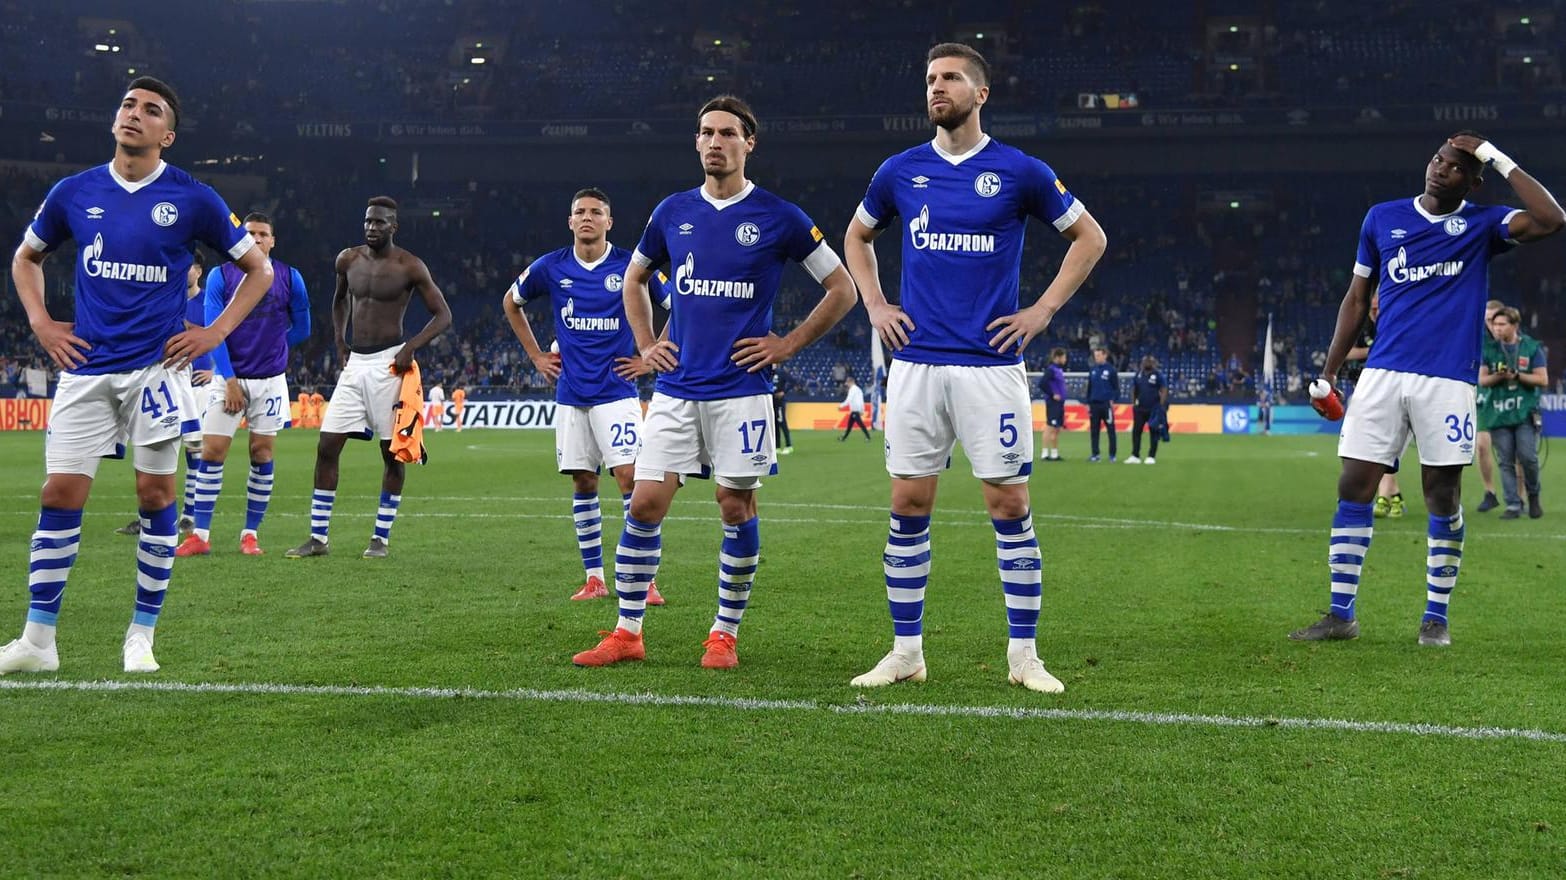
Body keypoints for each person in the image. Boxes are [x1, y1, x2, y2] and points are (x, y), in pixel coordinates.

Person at [843, 43, 1106, 693]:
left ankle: (1024, 658)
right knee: (908, 502)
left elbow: (1089, 237)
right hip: (917, 363)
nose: (937, 87)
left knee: (1009, 503)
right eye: (930, 78)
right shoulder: (900, 171)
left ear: (980, 94)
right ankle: (906, 651)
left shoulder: (1019, 171)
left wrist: (1042, 310)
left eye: (951, 78)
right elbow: (856, 236)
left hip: (992, 366)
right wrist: (875, 303)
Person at [571, 94, 857, 669]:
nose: (714, 142)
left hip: (742, 393)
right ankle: (628, 632)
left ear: (748, 143)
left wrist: (787, 343)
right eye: (706, 132)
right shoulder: (672, 211)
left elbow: (843, 290)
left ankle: (723, 634)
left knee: (734, 505)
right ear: (696, 142)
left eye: (727, 133)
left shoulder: (780, 216)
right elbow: (634, 281)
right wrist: (648, 344)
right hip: (675, 391)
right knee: (644, 505)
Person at [0, 77, 273, 676]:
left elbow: (258, 271)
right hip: (86, 369)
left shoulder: (193, 197)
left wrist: (214, 333)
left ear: (166, 135)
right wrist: (42, 323)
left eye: (151, 111)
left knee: (156, 497)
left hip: (157, 372)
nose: (134, 114)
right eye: (128, 104)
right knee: (59, 495)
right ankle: (38, 641)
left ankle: (141, 635)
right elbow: (26, 258)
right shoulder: (75, 191)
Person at [1290, 131, 1562, 648]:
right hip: (1383, 375)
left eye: (1457, 167)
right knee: (1354, 484)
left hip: (1448, 380)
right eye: (1438, 160)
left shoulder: (1484, 224)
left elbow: (1552, 220)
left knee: (1442, 493)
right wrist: (1327, 373)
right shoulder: (1381, 218)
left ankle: (1435, 617)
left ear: (1473, 180)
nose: (1441, 169)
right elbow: (1355, 299)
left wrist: (1495, 156)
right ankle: (1340, 613)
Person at [501, 186, 666, 603]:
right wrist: (536, 355)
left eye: (596, 212)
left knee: (630, 480)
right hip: (571, 393)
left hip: (617, 391)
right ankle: (594, 577)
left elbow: (680, 300)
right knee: (583, 479)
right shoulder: (551, 266)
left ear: (609, 221)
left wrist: (649, 356)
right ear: (570, 221)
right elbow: (511, 302)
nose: (587, 217)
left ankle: (643, 578)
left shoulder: (632, 264)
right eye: (580, 212)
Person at [284, 196, 452, 559]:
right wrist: (340, 342)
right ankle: (318, 538)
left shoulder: (410, 266)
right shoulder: (348, 259)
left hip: (391, 364)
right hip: (355, 364)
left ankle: (380, 538)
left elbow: (443, 315)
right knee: (327, 445)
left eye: (379, 222)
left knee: (391, 454)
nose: (372, 228)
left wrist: (411, 348)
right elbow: (339, 300)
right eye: (368, 222)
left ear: (394, 226)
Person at [175, 212, 311, 557]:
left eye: (263, 234)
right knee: (212, 452)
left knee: (261, 453)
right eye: (250, 233)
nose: (257, 238)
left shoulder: (290, 278)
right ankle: (200, 536)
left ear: (272, 240)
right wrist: (230, 378)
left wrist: (274, 348)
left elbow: (303, 328)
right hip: (228, 379)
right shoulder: (222, 276)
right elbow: (214, 332)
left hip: (269, 382)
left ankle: (250, 534)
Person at [115, 248, 213, 537]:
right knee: (151, 445)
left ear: (198, 271)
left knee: (194, 449)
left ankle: (189, 515)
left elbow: (226, 338)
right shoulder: (164, 295)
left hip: (199, 385)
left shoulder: (209, 300)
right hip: (163, 379)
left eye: (190, 267)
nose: (184, 271)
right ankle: (147, 515)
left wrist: (216, 372)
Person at [1344, 292, 1407, 519]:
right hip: (1361, 389)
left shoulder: (1396, 323)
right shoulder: (1360, 326)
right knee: (1369, 445)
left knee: (1384, 445)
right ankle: (1394, 494)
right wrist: (1373, 352)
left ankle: (1384, 496)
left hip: (1390, 390)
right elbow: (1347, 352)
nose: (1376, 307)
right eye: (1374, 302)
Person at [1480, 306, 1546, 519]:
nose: (1497, 328)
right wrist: (1499, 376)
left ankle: (1533, 495)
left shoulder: (1532, 347)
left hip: (1525, 412)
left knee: (1528, 457)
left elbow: (1542, 379)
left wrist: (1518, 376)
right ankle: (1513, 505)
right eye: (1495, 324)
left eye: (1502, 324)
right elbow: (1482, 379)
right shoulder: (1489, 350)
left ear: (1514, 325)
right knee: (1505, 460)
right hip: (1498, 413)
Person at [1475, 298, 1507, 512]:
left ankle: (1520, 497)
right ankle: (1490, 492)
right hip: (1485, 399)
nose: (1489, 323)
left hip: (1510, 401)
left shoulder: (1517, 342)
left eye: (1493, 319)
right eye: (1486, 319)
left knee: (1513, 452)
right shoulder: (1479, 341)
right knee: (1482, 445)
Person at [1127, 355, 1166, 464]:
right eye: (1145, 361)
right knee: (1136, 431)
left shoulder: (1158, 375)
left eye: (1150, 362)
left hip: (1153, 409)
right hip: (1139, 408)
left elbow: (1163, 389)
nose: (1147, 363)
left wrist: (1161, 405)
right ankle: (1135, 455)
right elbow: (1134, 389)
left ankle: (1151, 456)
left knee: (1153, 431)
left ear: (1154, 363)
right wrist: (1133, 403)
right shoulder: (1138, 375)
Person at [1086, 346, 1118, 462]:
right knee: (1094, 431)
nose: (1097, 358)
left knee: (1111, 430)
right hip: (1094, 404)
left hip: (1106, 404)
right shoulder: (1093, 370)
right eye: (1095, 356)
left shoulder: (1111, 370)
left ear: (1105, 355)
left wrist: (1113, 399)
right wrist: (1088, 402)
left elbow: (1116, 388)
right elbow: (1089, 388)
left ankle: (1112, 455)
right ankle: (1095, 454)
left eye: (1099, 355)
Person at [1038, 348, 1067, 461]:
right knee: (1050, 426)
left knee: (1057, 428)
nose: (1065, 359)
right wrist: (1052, 394)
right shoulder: (1051, 370)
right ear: (1057, 357)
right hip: (1053, 403)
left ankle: (1054, 453)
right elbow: (1042, 383)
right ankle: (1044, 453)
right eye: (1064, 357)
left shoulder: (1058, 370)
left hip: (1059, 403)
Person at [839, 375, 871, 441]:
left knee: (860, 424)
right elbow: (861, 400)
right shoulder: (858, 389)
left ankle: (868, 437)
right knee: (849, 425)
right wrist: (862, 409)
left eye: (847, 383)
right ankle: (844, 438)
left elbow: (849, 400)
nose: (847, 384)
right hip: (856, 410)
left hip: (855, 410)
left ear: (851, 382)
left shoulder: (852, 389)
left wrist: (841, 406)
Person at [771, 364, 793, 455]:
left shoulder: (781, 373)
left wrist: (784, 392)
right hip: (771, 401)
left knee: (782, 423)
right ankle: (777, 447)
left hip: (780, 402)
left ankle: (789, 445)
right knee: (775, 424)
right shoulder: (768, 373)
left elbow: (792, 382)